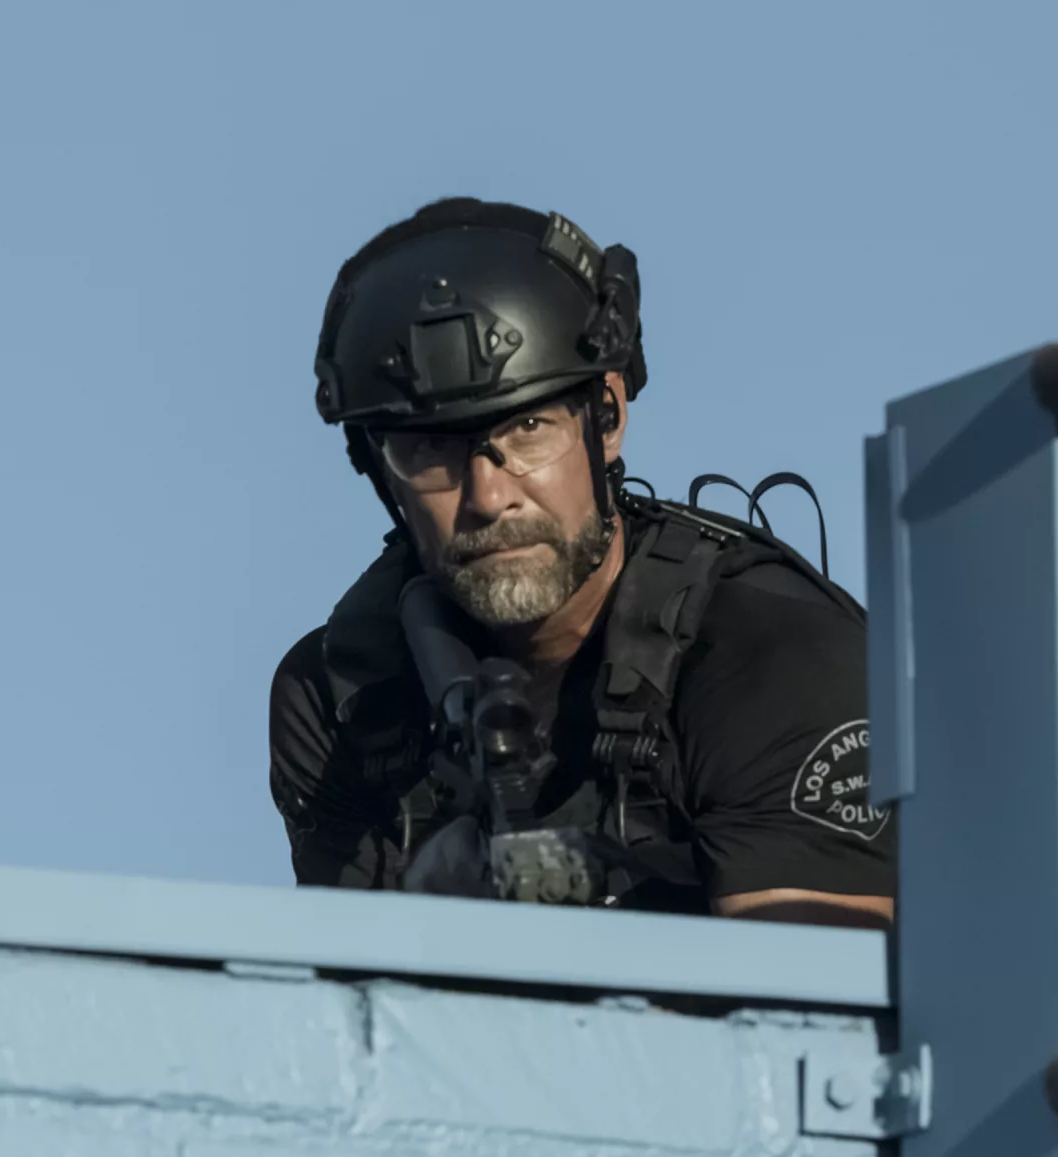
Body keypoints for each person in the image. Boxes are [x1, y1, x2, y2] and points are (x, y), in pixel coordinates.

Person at [268, 197, 894, 928]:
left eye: (528, 428)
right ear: (380, 473)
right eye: (430, 450)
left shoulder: (774, 658)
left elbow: (811, 992)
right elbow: (353, 987)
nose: (489, 496)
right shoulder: (349, 697)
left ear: (608, 416)